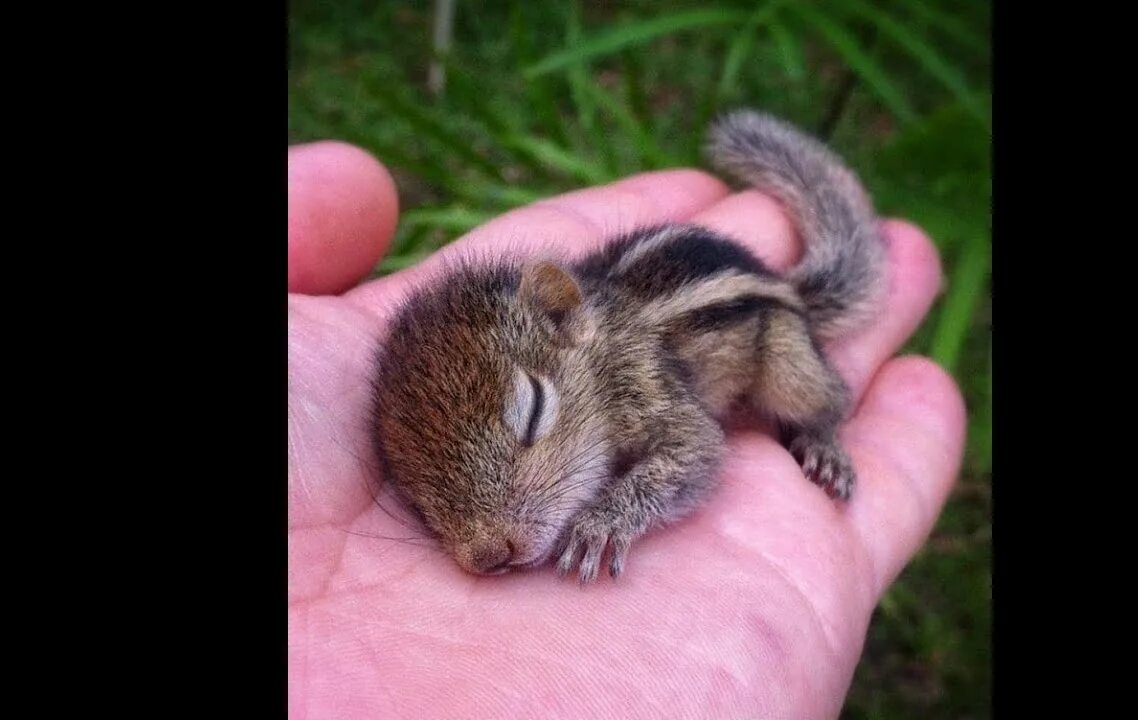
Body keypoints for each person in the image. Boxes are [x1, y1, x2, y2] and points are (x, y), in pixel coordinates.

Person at [288, 140, 966, 718]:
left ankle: (818, 426)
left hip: (755, 328)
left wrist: (621, 508)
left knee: (796, 384)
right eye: (430, 500)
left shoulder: (622, 369)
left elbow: (695, 449)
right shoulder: (504, 441)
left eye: (529, 419)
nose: (482, 545)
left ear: (562, 319)